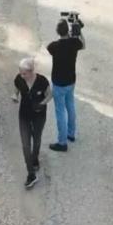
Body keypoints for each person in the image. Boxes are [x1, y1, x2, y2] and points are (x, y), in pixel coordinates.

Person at [47, 19, 84, 152]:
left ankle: (62, 143)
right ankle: (71, 134)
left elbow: (49, 47)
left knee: (60, 112)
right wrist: (79, 32)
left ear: (57, 32)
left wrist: (67, 35)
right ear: (68, 31)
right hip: (71, 82)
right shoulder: (74, 43)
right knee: (70, 106)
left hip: (58, 83)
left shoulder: (54, 46)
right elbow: (83, 45)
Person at [14, 57, 52, 189]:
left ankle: (35, 158)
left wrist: (41, 104)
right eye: (20, 72)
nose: (21, 75)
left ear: (31, 71)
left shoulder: (42, 81)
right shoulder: (19, 79)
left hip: (38, 115)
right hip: (24, 115)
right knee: (25, 145)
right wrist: (15, 95)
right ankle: (31, 174)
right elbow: (17, 88)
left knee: (36, 140)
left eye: (24, 73)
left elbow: (50, 95)